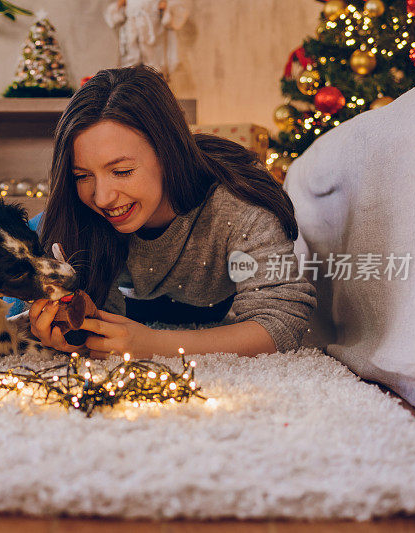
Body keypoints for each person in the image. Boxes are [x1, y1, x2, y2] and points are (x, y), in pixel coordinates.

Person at [27, 65, 316, 359]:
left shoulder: (239, 204)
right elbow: (88, 323)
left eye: (122, 171)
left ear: (168, 153)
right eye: (82, 176)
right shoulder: (74, 213)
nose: (102, 198)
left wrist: (155, 345)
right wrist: (70, 338)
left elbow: (282, 323)